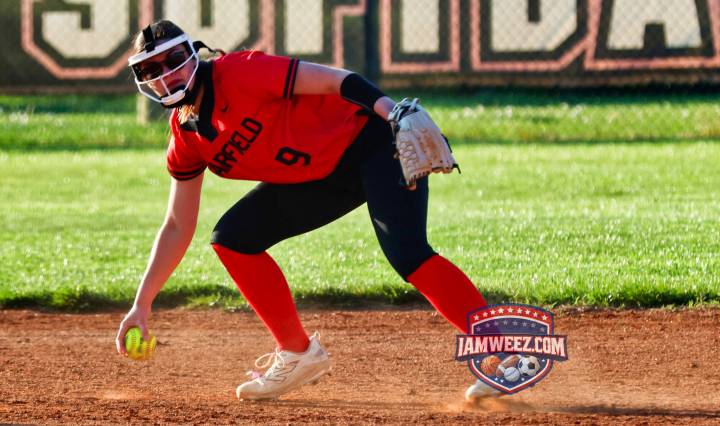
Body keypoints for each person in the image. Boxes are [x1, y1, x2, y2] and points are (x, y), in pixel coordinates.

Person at [114, 20, 497, 401]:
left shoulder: (241, 72)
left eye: (174, 59)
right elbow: (177, 225)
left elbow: (338, 81)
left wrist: (392, 112)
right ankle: (297, 353)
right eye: (151, 69)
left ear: (192, 54)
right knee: (232, 238)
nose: (167, 74)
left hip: (373, 143)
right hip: (322, 176)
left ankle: (505, 348)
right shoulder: (186, 137)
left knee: (408, 254)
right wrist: (141, 305)